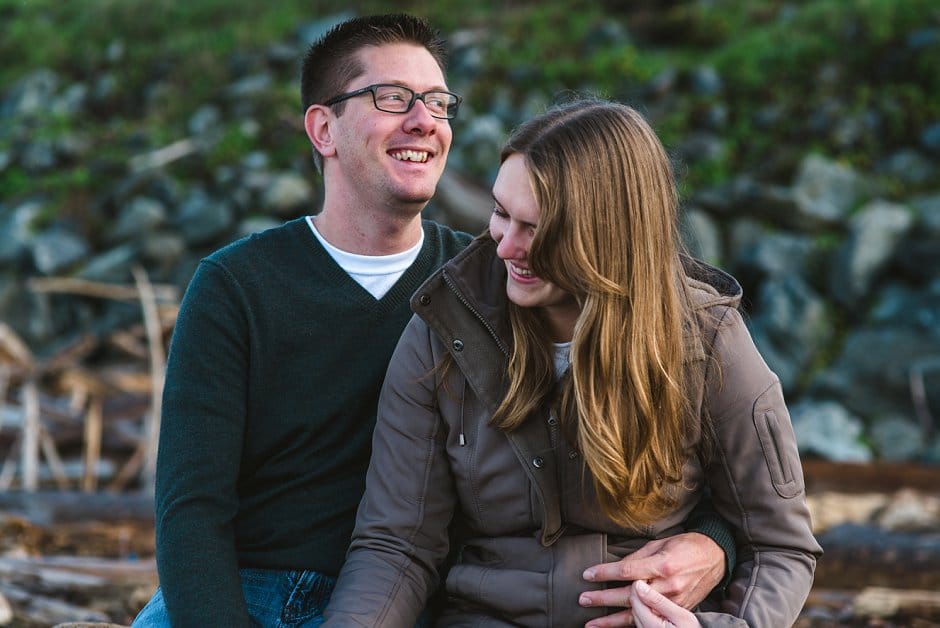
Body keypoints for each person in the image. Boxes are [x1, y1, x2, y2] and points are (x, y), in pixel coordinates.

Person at [132, 15, 733, 628]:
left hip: (410, 602)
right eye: (392, 98)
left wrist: (717, 543)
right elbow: (191, 509)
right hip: (243, 592)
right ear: (323, 129)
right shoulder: (236, 285)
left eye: (439, 103)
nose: (424, 120)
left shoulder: (494, 284)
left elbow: (637, 460)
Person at [321, 98, 822, 627]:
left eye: (536, 229)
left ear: (606, 237)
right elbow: (397, 547)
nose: (506, 246)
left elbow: (778, 546)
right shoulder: (442, 331)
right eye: (499, 213)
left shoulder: (707, 338)